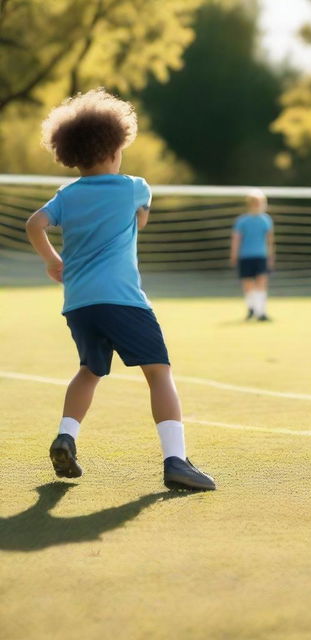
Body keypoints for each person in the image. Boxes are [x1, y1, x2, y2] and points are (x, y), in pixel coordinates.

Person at [25, 88, 215, 491]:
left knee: (89, 371)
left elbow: (34, 224)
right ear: (114, 148)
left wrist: (51, 261)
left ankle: (65, 437)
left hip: (79, 304)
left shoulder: (67, 195)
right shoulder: (134, 187)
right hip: (124, 300)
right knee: (159, 373)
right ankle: (175, 461)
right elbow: (140, 220)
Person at [230, 189, 275, 321]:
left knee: (261, 283)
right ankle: (251, 309)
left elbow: (270, 240)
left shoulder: (266, 220)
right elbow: (236, 239)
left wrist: (271, 256)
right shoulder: (242, 221)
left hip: (261, 256)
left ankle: (261, 312)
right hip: (245, 256)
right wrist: (234, 254)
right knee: (248, 284)